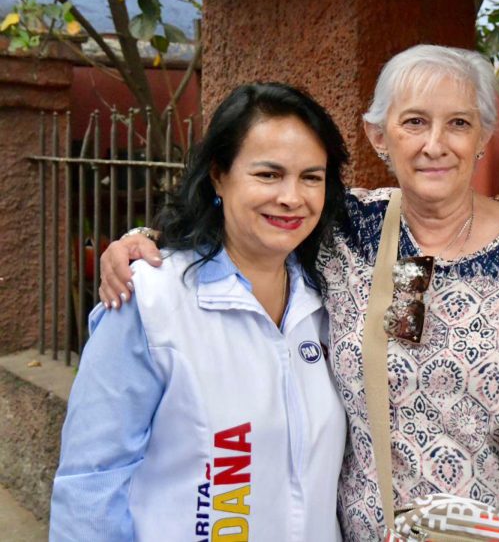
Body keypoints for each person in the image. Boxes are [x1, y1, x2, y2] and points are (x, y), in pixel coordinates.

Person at [99, 45, 499, 541]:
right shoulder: (345, 229)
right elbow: (252, 226)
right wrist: (146, 243)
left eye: (458, 123)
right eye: (414, 121)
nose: (435, 144)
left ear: (483, 138)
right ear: (378, 136)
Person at [50, 83, 349, 541]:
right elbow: (91, 479)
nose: (292, 197)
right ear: (218, 176)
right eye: (268, 174)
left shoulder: (330, 295)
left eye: (311, 177)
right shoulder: (150, 300)